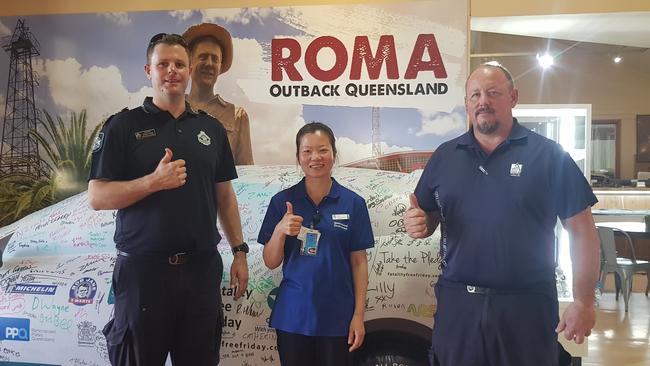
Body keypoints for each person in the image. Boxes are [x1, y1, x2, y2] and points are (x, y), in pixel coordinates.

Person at [404, 62, 600, 366]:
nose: (483, 101)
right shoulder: (444, 156)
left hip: (527, 306)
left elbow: (583, 230)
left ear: (513, 97)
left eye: (493, 93)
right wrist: (420, 223)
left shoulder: (549, 156)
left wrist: (584, 301)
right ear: (467, 105)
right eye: (475, 95)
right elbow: (428, 215)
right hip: (459, 306)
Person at [88, 33, 249, 366]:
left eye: (179, 64)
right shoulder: (123, 126)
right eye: (163, 64)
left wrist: (239, 251)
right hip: (143, 273)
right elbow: (98, 196)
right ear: (149, 70)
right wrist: (153, 182)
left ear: (189, 71)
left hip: (201, 270)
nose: (172, 71)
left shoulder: (212, 130)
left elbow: (225, 197)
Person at [257, 122, 373, 366]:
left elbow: (359, 262)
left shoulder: (353, 203)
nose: (315, 158)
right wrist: (280, 231)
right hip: (293, 316)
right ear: (298, 157)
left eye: (322, 150)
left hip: (338, 317)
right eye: (307, 151)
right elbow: (270, 261)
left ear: (333, 154)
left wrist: (359, 316)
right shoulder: (282, 201)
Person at [183, 22, 254, 165]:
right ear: (190, 62)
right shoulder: (171, 109)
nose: (209, 64)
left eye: (215, 59)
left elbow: (246, 173)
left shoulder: (237, 116)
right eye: (203, 57)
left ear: (220, 67)